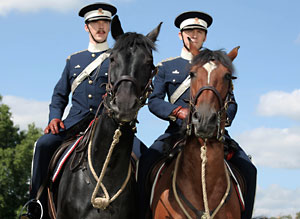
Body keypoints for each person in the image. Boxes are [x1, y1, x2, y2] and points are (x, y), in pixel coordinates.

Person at [21, 3, 146, 219]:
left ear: (109, 26)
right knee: (42, 145)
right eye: (95, 23)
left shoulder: (119, 57)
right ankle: (36, 205)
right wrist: (54, 118)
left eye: (105, 23)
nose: (100, 27)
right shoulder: (74, 60)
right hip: (74, 123)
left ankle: (145, 210)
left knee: (143, 156)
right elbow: (60, 94)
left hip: (109, 123)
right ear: (86, 27)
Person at [137, 11, 257, 219]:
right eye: (189, 31)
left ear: (205, 37)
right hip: (177, 132)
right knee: (146, 163)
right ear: (180, 35)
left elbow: (231, 103)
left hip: (215, 131)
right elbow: (154, 101)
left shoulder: (218, 66)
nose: (194, 35)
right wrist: (177, 111)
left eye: (199, 31)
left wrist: (222, 119)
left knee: (249, 169)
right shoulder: (166, 66)